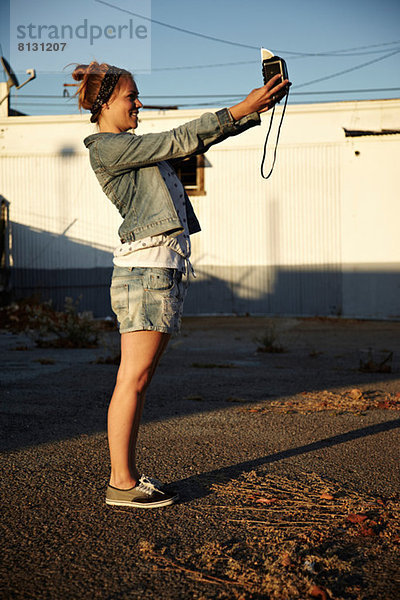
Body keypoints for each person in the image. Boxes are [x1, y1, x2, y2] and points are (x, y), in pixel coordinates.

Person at [73, 61, 290, 509]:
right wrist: (239, 107)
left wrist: (254, 111)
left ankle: (125, 478)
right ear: (105, 103)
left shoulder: (133, 148)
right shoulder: (108, 148)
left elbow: (196, 140)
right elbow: (180, 138)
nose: (138, 103)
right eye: (131, 96)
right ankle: (121, 483)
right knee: (132, 379)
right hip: (146, 272)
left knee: (139, 379)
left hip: (160, 271)